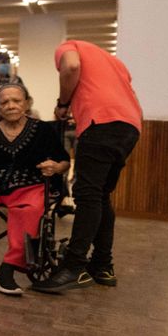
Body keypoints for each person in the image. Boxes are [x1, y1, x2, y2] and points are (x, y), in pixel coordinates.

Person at [32, 40, 142, 293]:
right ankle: (103, 265)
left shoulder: (69, 46)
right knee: (101, 195)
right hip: (131, 126)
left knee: (87, 194)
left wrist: (63, 103)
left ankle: (74, 267)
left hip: (101, 123)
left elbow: (70, 67)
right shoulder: (114, 62)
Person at [0, 84, 70, 295]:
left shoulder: (43, 130)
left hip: (30, 185)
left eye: (16, 101)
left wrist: (56, 167)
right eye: (4, 102)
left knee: (29, 211)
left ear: (26, 103)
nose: (10, 106)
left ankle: (6, 271)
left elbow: (64, 160)